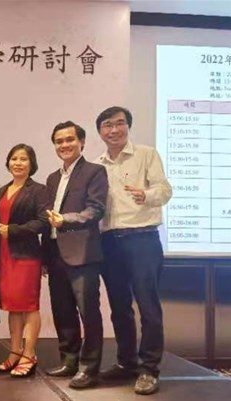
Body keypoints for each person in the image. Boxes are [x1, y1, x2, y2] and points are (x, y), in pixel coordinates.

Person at [95, 106, 172, 395]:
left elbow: (164, 189)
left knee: (148, 306)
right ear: (100, 131)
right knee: (119, 306)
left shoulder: (146, 154)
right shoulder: (96, 165)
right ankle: (126, 362)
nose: (114, 130)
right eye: (107, 125)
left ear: (128, 126)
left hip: (142, 238)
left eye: (119, 123)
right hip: (109, 241)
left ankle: (150, 368)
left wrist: (146, 195)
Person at [44, 121, 107, 389]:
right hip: (55, 253)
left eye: (69, 139)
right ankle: (69, 360)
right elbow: (48, 217)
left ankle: (89, 368)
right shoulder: (52, 178)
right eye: (59, 141)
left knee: (88, 313)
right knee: (62, 310)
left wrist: (66, 219)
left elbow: (95, 209)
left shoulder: (95, 171)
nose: (64, 145)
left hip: (83, 253)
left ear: (82, 141)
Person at [0, 144, 49, 378]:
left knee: (29, 305)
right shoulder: (1, 190)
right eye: (14, 158)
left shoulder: (38, 190)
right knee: (12, 305)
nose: (18, 163)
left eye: (23, 159)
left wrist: (13, 230)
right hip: (5, 254)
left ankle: (29, 354)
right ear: (8, 162)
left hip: (26, 255)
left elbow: (43, 222)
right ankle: (15, 351)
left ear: (31, 163)